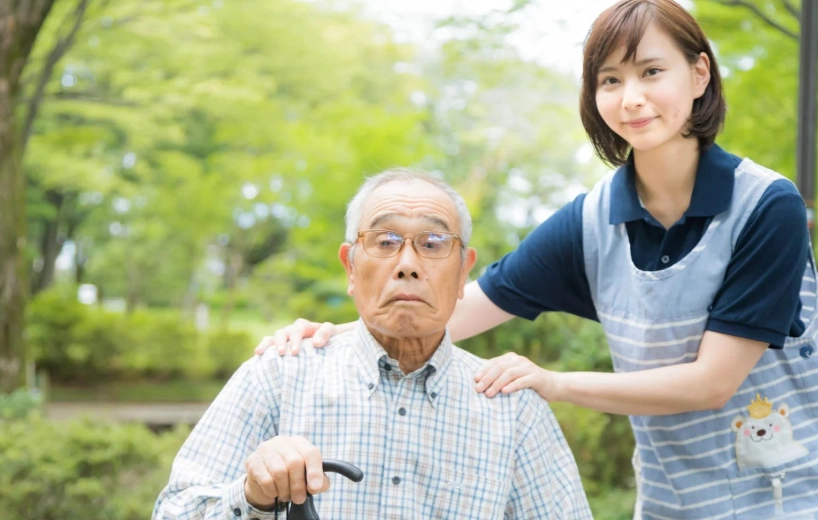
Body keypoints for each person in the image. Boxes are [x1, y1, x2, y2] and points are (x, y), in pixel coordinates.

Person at [257, 1, 818, 518]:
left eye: (651, 72)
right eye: (610, 80)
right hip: (671, 503)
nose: (631, 97)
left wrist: (553, 382)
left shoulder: (766, 207)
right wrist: (334, 335)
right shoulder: (591, 222)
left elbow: (712, 383)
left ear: (699, 75)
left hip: (788, 498)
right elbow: (448, 311)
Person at [153, 169, 592, 519]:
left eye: (433, 243)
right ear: (350, 266)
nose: (407, 265)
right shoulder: (279, 374)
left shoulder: (512, 410)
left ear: (463, 273)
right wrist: (251, 496)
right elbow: (173, 512)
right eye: (385, 241)